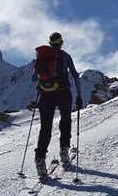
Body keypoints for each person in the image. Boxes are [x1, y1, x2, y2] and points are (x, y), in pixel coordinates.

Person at [31, 32, 83, 178]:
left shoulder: (42, 56)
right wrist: (79, 95)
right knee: (65, 120)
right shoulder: (65, 56)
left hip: (45, 95)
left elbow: (34, 78)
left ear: (50, 42)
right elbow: (75, 75)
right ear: (61, 43)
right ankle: (64, 151)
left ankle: (40, 160)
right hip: (63, 93)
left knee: (45, 127)